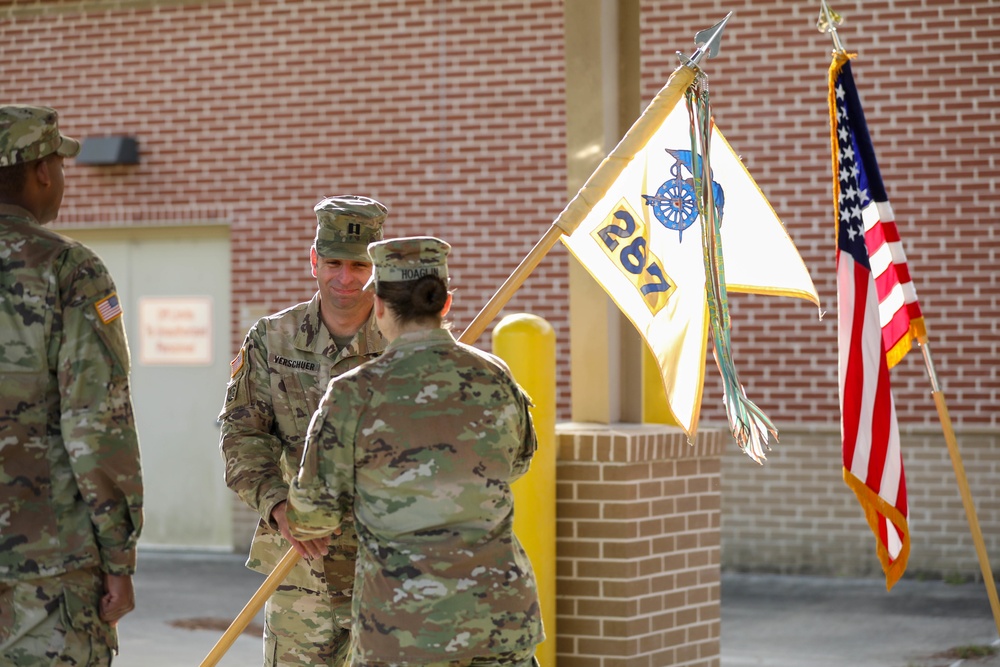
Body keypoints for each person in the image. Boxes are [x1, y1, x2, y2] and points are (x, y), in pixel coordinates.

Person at [286, 237, 544, 667]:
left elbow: (313, 514)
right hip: (501, 622)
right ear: (444, 304)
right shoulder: (496, 376)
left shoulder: (352, 394)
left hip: (405, 630)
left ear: (380, 307)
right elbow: (517, 462)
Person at [0, 105, 145, 665]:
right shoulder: (68, 270)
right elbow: (96, 425)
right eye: (60, 163)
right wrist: (118, 560)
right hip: (47, 572)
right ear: (42, 171)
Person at [219, 195, 389, 666]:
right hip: (301, 570)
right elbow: (242, 433)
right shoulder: (272, 339)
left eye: (358, 266)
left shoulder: (405, 340)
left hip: (386, 569)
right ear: (314, 260)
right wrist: (275, 504)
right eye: (334, 262)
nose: (345, 278)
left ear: (375, 267)